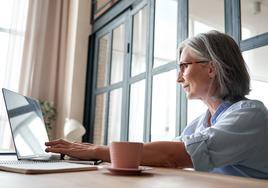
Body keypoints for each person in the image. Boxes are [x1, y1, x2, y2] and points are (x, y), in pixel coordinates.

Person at [45, 30, 268, 179]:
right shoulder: (201, 123)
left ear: (211, 68)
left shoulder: (250, 115)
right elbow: (164, 155)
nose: (179, 78)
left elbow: (175, 157)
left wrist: (98, 151)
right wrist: (95, 153)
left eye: (184, 67)